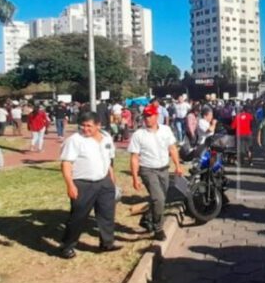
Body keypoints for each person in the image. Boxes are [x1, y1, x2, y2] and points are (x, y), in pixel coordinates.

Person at [58, 112, 118, 259]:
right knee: (78, 217)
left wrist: (112, 180)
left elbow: (109, 160)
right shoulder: (75, 140)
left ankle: (107, 243)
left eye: (89, 126)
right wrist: (70, 185)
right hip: (83, 184)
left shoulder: (107, 138)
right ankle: (67, 246)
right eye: (83, 126)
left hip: (104, 182)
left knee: (107, 214)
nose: (85, 129)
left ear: (98, 125)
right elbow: (66, 164)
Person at [128, 106, 183, 241]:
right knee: (158, 199)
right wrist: (135, 178)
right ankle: (158, 228)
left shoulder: (166, 130)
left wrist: (177, 165)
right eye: (145, 116)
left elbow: (172, 148)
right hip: (148, 170)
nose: (147, 119)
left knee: (161, 198)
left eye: (150, 116)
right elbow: (134, 157)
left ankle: (147, 218)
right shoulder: (139, 135)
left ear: (157, 116)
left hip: (164, 169)